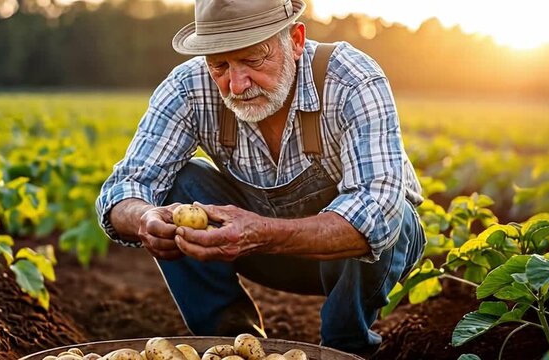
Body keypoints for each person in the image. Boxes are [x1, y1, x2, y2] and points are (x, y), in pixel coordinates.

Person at [95, 0, 426, 356]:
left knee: (396, 217)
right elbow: (123, 189)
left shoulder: (351, 79)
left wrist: (260, 232)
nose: (236, 85)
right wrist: (144, 218)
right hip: (253, 250)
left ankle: (346, 346)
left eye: (253, 60)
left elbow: (378, 211)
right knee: (181, 184)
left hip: (347, 259)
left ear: (296, 40)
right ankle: (230, 343)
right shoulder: (187, 88)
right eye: (219, 65)